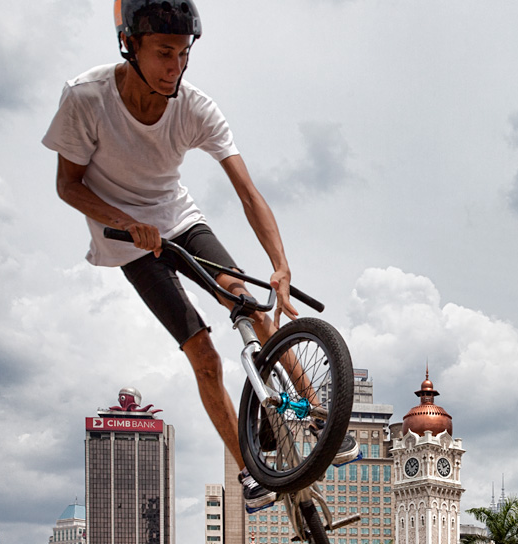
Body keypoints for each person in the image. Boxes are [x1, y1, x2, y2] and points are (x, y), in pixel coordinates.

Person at [42, 0, 357, 513]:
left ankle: (322, 418)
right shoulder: (86, 99)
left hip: (179, 220)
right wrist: (125, 223)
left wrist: (279, 264)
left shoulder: (196, 107)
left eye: (183, 53)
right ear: (130, 46)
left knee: (251, 306)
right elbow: (67, 186)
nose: (175, 66)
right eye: (164, 53)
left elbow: (248, 192)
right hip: (127, 244)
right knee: (204, 354)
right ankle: (251, 473)